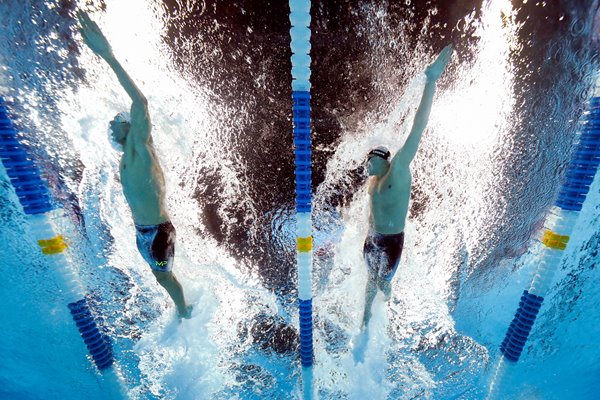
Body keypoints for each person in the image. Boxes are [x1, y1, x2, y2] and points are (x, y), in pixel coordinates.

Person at [78, 11, 192, 319]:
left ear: (130, 126)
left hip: (157, 233)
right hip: (143, 233)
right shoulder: (124, 159)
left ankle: (185, 313)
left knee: (165, 278)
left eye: (117, 120)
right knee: (161, 278)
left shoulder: (141, 147)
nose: (111, 122)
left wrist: (108, 56)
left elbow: (140, 103)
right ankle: (182, 309)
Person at [361, 45, 453, 329]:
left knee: (380, 284)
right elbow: (370, 210)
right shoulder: (373, 181)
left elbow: (419, 126)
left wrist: (432, 81)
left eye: (368, 160)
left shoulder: (398, 170)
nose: (365, 166)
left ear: (381, 160)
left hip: (391, 242)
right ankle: (364, 320)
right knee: (368, 282)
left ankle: (387, 309)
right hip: (372, 239)